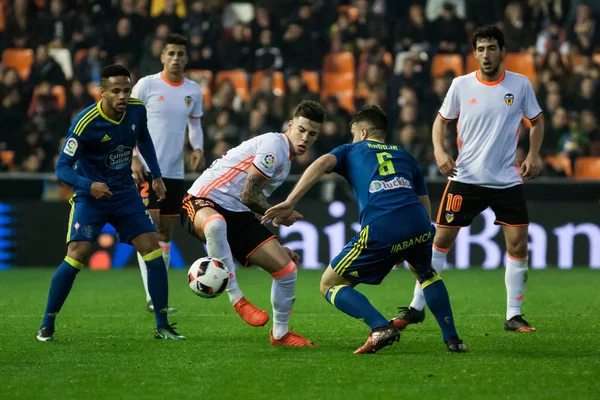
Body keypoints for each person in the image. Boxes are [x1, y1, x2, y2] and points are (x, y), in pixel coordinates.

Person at [263, 105, 466, 354]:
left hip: (382, 225)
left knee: (329, 284)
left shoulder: (352, 149)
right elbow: (423, 202)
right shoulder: (404, 155)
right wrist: (413, 240)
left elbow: (322, 163)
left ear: (362, 132)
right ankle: (454, 339)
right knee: (426, 273)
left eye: (353, 133)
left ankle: (380, 327)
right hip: (419, 222)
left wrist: (291, 201)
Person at [396, 26, 544, 333]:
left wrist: (533, 155)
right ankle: (416, 307)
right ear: (474, 53)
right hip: (465, 179)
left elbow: (538, 121)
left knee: (518, 244)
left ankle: (513, 315)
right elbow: (440, 122)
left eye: (492, 48)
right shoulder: (461, 85)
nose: (486, 55)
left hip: (506, 180)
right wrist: (439, 151)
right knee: (440, 242)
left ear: (502, 51)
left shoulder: (520, 85)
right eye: (481, 49)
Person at [36, 65, 185, 342]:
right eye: (115, 91)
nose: (122, 96)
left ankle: (162, 325)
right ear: (101, 92)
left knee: (152, 249)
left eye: (126, 90)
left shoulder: (137, 110)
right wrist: (88, 185)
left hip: (125, 194)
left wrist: (156, 175)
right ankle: (47, 324)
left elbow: (143, 138)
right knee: (77, 254)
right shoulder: (85, 122)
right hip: (91, 196)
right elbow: (62, 168)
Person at [180, 100, 325, 347]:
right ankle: (237, 299)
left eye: (312, 134)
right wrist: (281, 214)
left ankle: (280, 335)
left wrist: (274, 242)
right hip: (202, 200)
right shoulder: (275, 145)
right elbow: (249, 195)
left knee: (286, 269)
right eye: (301, 130)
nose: (305, 138)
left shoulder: (286, 160)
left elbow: (249, 202)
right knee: (215, 225)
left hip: (237, 212)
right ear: (290, 125)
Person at [131, 33, 205, 313]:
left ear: (186, 58)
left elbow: (195, 125)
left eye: (180, 54)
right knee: (149, 228)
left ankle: (157, 292)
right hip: (146, 169)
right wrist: (133, 158)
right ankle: (153, 295)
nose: (176, 58)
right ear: (162, 56)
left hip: (174, 171)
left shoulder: (193, 91)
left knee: (165, 231)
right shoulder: (146, 85)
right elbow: (129, 123)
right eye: (171, 53)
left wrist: (197, 148)